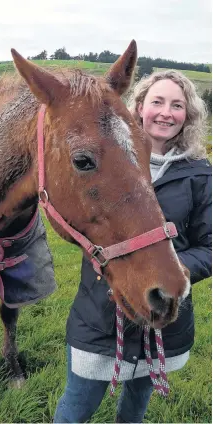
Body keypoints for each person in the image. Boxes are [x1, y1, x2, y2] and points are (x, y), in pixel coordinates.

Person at [53, 70, 212, 423]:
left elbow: (210, 246)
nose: (166, 112)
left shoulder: (199, 173)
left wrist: (168, 269)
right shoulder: (106, 158)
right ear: (139, 107)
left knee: (136, 406)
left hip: (164, 309)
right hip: (100, 316)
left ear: (188, 115)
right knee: (76, 407)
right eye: (157, 101)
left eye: (177, 105)